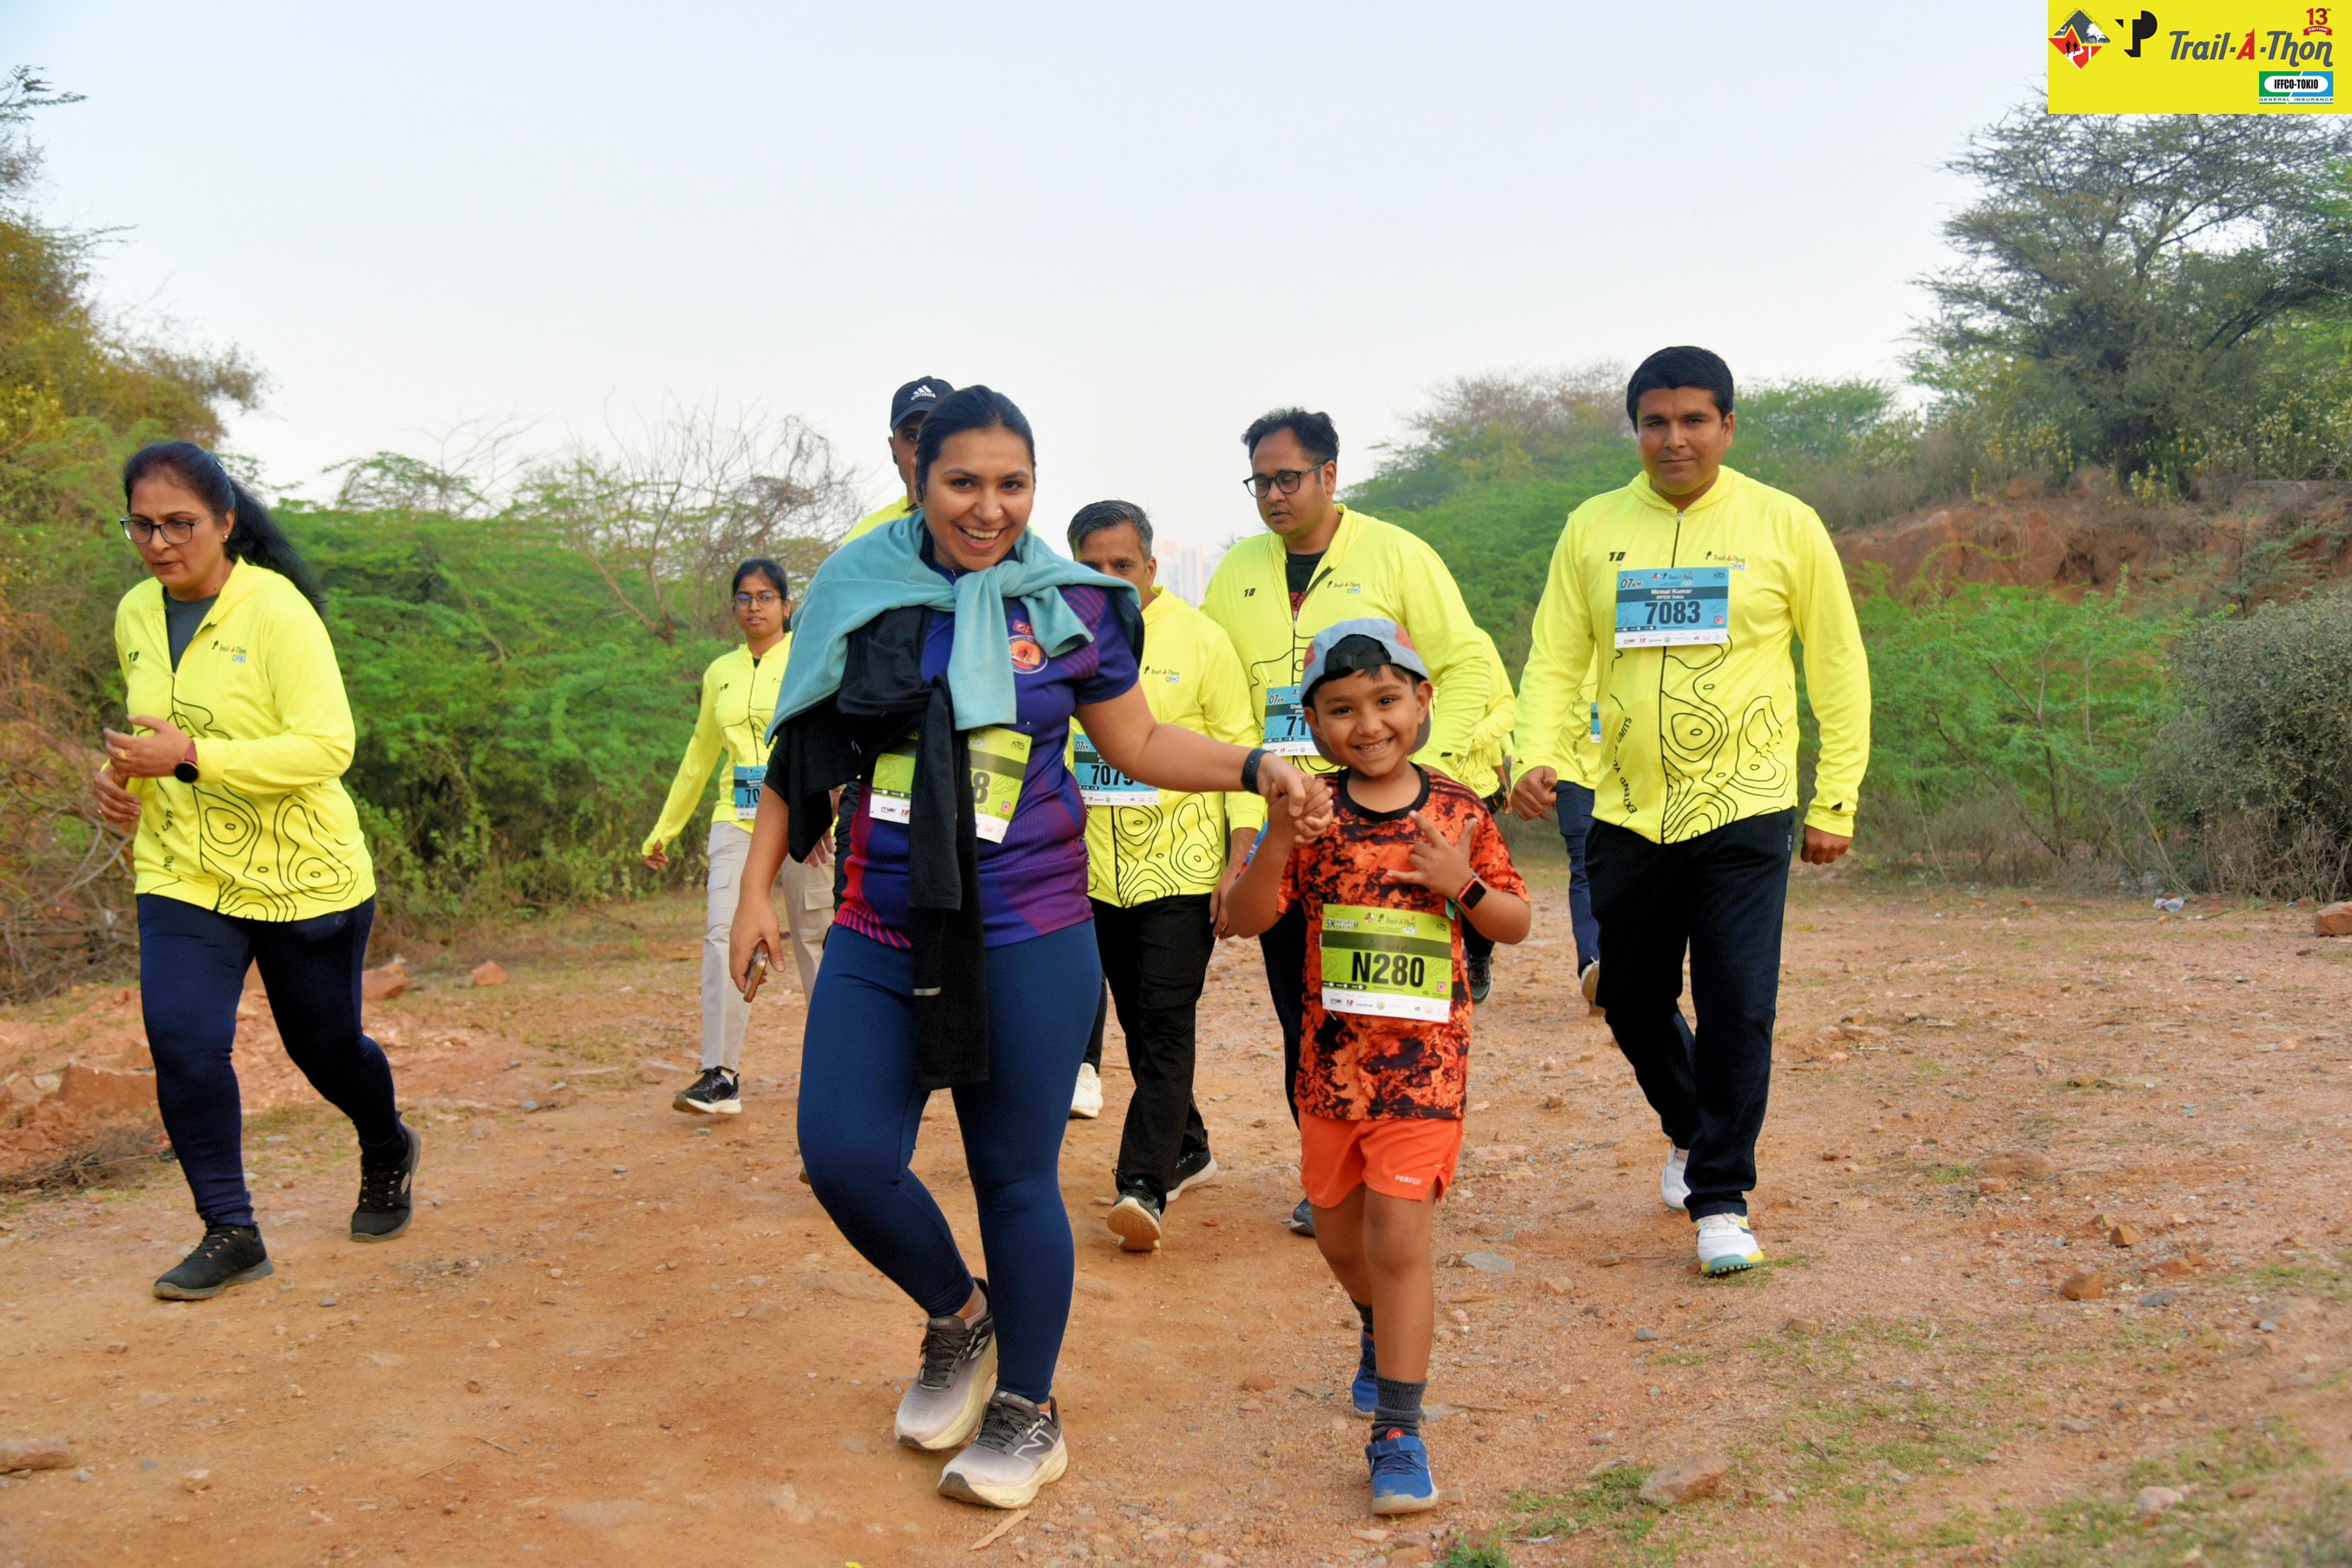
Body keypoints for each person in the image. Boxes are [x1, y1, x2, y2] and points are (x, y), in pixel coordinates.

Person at [728, 387, 1329, 1511]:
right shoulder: (858, 595)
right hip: (877, 923)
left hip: (1031, 928)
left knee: (1013, 1175)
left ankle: (1029, 1406)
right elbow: (799, 752)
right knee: (843, 1156)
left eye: (1011, 484)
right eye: (962, 481)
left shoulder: (1073, 606)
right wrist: (755, 890)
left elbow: (1136, 738)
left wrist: (1253, 767)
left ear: (1034, 488)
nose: (987, 507)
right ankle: (961, 1316)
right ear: (919, 480)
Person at [1510, 347, 1871, 1274]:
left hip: (1746, 806)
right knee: (1629, 996)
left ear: (1727, 426)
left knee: (1737, 1003)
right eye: (1655, 422)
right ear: (1635, 429)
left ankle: (1721, 1199)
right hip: (1627, 808)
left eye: (1693, 420)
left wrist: (1835, 796)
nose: (1674, 439)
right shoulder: (1593, 527)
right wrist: (1533, 753)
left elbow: (1835, 663)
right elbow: (1555, 656)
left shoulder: (1783, 524)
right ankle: (1689, 1125)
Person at [92, 441, 417, 1301]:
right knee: (181, 1039)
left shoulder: (277, 612)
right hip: (184, 871)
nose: (160, 543)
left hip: (303, 874)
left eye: (180, 524)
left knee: (325, 1049)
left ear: (225, 521)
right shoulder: (135, 612)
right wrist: (122, 777)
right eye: (142, 525)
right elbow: (157, 727)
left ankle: (386, 1142)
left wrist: (190, 757)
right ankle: (230, 1229)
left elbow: (327, 746)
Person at [1224, 619, 1529, 1516]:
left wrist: (1460, 884)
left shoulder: (1459, 812)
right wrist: (1279, 838)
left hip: (1426, 1072)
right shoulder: (1310, 812)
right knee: (1338, 1238)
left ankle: (1398, 1430)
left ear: (1421, 700)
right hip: (1330, 1072)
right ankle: (1373, 1321)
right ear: (1313, 721)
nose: (1368, 724)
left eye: (1386, 700)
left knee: (1399, 1240)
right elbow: (1243, 917)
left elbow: (1514, 921)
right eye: (1342, 709)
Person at [1201, 407, 1492, 1238]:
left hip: (1392, 822)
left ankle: (1403, 1160)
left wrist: (1432, 784)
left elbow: (1466, 665)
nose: (1273, 494)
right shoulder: (1235, 574)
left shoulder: (1399, 555)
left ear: (1329, 474)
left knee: (1398, 1000)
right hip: (1295, 828)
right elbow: (1226, 716)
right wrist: (1245, 837)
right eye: (1260, 481)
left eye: (1288, 477)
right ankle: (1329, 1172)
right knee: (1303, 1007)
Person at [1063, 500, 1262, 1250]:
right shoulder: (1056, 640)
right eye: (1091, 566)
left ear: (1150, 565)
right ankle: (1190, 1145)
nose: (1109, 578)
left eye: (1122, 564)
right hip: (1091, 872)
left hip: (1182, 867)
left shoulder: (1202, 638)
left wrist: (1239, 856)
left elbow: (1238, 745)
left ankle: (1141, 1183)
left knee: (1167, 1017)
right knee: (1139, 1021)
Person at [639, 559, 832, 1115]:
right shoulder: (719, 671)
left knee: (815, 938)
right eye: (744, 597)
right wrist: (664, 829)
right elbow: (699, 755)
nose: (754, 606)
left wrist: (827, 806)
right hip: (737, 819)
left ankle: (839, 1071)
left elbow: (831, 737)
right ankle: (719, 1075)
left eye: (766, 596)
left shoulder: (810, 658)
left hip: (805, 818)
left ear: (787, 606)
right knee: (723, 935)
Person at [1455, 631, 1516, 1004]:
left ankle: (1478, 954)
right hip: (1417, 784)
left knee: (1477, 881)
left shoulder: (1476, 642)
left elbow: (1500, 711)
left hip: (1477, 792)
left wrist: (1500, 774)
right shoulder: (1399, 642)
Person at [844, 377, 954, 542]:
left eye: (937, 434)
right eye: (913, 436)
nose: (923, 450)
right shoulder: (865, 536)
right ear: (893, 447)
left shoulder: (986, 525)